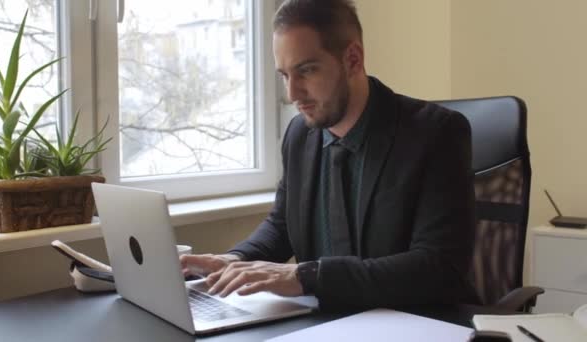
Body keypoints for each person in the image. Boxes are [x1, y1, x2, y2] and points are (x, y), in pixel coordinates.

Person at [180, 0, 477, 311]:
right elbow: (282, 226)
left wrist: (307, 276)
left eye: (306, 71)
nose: (292, 94)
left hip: (418, 321)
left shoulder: (436, 133)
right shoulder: (300, 135)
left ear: (352, 59)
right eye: (284, 75)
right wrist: (231, 260)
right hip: (329, 321)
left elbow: (439, 266)